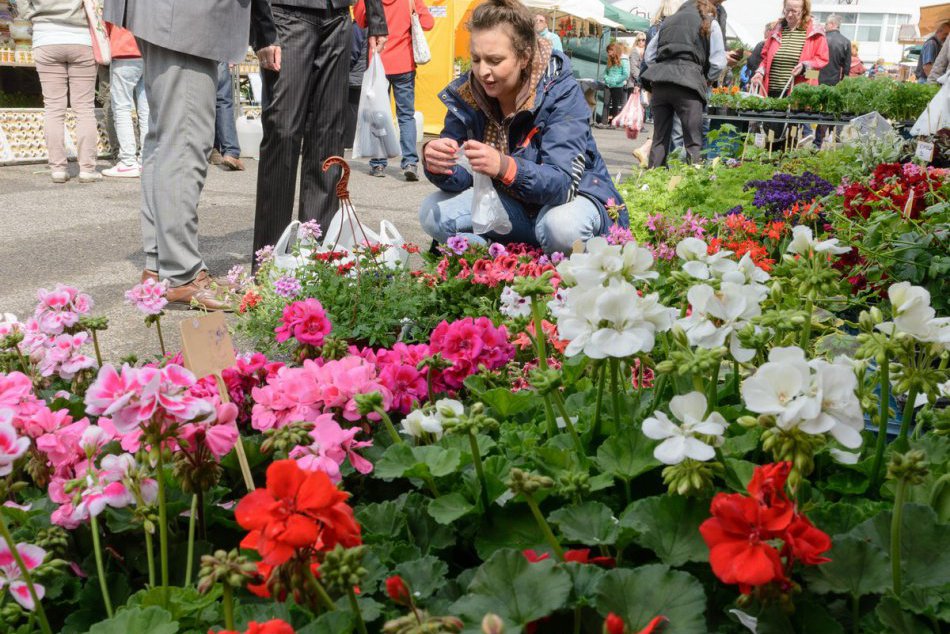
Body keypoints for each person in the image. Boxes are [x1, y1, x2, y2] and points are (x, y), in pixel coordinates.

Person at [419, 0, 627, 255]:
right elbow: (462, 179)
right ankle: (510, 259)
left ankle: (525, 257)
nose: (483, 71)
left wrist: (504, 166)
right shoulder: (468, 92)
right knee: (432, 212)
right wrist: (440, 164)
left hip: (569, 202)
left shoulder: (560, 92)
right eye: (476, 59)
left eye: (495, 60)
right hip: (512, 208)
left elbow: (562, 184)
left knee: (560, 228)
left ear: (524, 56)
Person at [104, 0, 268, 310]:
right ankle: (182, 275)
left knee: (166, 138)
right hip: (185, 17)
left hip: (167, 15)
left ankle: (160, 266)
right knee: (185, 138)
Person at [251, 0, 388, 264]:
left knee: (329, 135)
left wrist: (376, 18)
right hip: (285, 16)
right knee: (283, 131)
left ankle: (316, 258)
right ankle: (269, 260)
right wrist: (261, 30)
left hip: (338, 17)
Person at [20, 0, 100, 184]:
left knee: (54, 108)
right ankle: (87, 169)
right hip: (81, 38)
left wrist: (32, 16)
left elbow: (23, 4)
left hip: (46, 37)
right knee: (84, 108)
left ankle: (58, 168)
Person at [641, 0, 726, 167]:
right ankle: (692, 183)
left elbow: (649, 56)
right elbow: (718, 63)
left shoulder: (668, 22)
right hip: (689, 85)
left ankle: (651, 183)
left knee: (659, 138)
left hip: (661, 83)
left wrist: (663, 70)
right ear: (710, 9)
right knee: (693, 141)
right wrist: (706, 78)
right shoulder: (710, 23)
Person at [355, 0, 433, 180]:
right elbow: (428, 23)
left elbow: (360, 20)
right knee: (406, 115)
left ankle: (378, 164)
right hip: (404, 64)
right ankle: (410, 163)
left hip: (378, 63)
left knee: (378, 115)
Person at [633, 0, 684, 168]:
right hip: (678, 80)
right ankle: (672, 171)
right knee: (676, 129)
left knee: (661, 128)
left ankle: (655, 168)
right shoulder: (677, 27)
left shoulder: (653, 28)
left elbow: (648, 59)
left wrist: (647, 82)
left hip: (657, 82)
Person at [749, 0, 828, 98]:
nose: (789, 15)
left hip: (799, 92)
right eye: (787, 10)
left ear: (804, 11)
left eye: (794, 11)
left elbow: (821, 61)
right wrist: (760, 72)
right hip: (771, 90)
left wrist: (804, 67)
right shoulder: (776, 29)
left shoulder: (815, 32)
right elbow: (765, 57)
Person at [102, 21, 148, 178]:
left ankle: (128, 161)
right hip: (148, 51)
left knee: (121, 107)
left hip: (124, 49)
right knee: (147, 109)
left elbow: (107, 20)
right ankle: (146, 160)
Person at [210, 63, 244, 171]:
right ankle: (230, 151)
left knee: (205, 99)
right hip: (217, 51)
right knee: (222, 99)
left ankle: (212, 149)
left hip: (190, 51)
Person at [601, 41, 629, 126]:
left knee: (615, 104)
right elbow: (605, 72)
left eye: (610, 51)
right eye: (608, 51)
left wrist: (616, 81)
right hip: (608, 85)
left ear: (615, 50)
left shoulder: (623, 60)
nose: (609, 53)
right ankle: (604, 122)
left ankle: (614, 123)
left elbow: (626, 74)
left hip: (617, 86)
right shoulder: (609, 60)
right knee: (606, 103)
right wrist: (606, 79)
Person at [818, 14, 850, 87]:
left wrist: (810, 77)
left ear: (832, 24)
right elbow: (846, 68)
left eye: (826, 24)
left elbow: (812, 61)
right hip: (834, 82)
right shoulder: (846, 42)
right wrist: (842, 83)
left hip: (816, 80)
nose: (824, 26)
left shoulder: (819, 39)